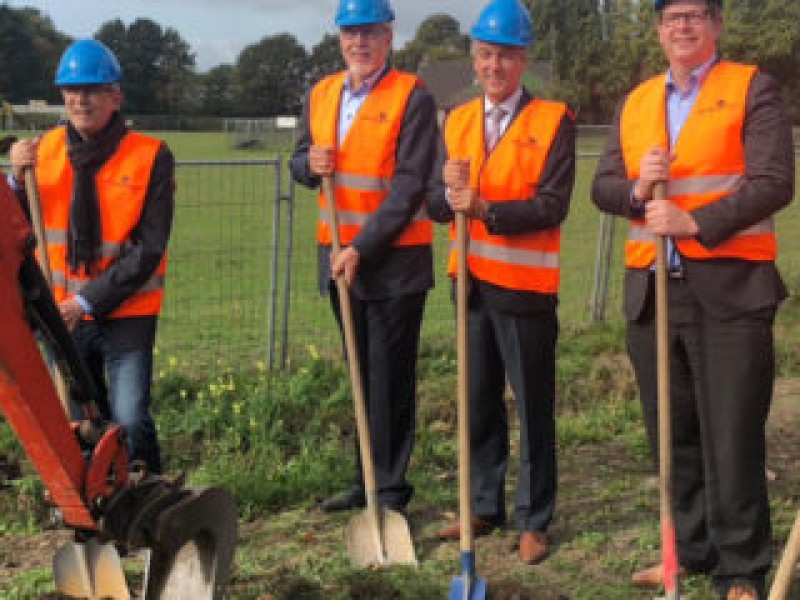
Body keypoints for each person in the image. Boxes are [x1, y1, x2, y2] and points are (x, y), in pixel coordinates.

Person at [591, 1, 794, 597]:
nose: (682, 25)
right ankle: (690, 550)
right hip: (653, 292)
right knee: (671, 435)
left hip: (730, 291)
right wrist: (635, 188)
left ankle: (742, 567)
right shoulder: (637, 102)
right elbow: (603, 186)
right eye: (671, 15)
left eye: (695, 13)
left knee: (731, 435)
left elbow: (775, 180)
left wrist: (694, 222)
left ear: (716, 24)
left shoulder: (752, 87)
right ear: (658, 30)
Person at [429, 0, 575, 565]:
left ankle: (534, 519)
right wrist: (445, 195)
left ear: (524, 59)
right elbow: (436, 206)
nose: (496, 66)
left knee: (532, 405)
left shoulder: (553, 120)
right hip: (469, 284)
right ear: (474, 58)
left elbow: (552, 205)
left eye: (507, 56)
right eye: (487, 54)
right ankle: (483, 505)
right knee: (478, 402)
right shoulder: (458, 118)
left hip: (525, 290)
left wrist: (487, 207)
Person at [289, 0, 437, 513]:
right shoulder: (322, 93)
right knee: (360, 375)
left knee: (389, 378)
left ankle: (390, 491)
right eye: (351, 33)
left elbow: (410, 186)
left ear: (389, 36)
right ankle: (365, 481)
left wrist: (361, 247)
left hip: (394, 262)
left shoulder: (411, 96)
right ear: (339, 38)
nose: (360, 42)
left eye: (370, 32)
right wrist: (308, 163)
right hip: (338, 261)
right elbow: (297, 161)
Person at [9, 39, 175, 475]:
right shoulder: (39, 154)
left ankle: (150, 493)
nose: (81, 100)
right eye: (72, 90)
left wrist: (85, 302)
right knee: (82, 423)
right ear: (63, 95)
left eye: (93, 90)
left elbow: (149, 249)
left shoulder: (151, 156)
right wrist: (13, 179)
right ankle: (100, 511)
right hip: (61, 318)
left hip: (126, 312)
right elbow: (17, 227)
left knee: (130, 418)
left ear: (114, 96)